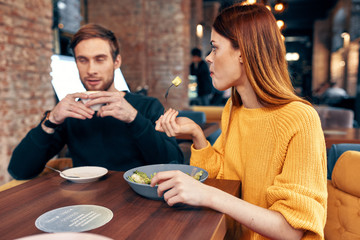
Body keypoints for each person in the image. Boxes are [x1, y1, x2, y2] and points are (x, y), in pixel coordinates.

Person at [153, 4, 327, 240]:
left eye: (215, 48)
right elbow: (224, 177)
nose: (208, 58)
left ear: (243, 52)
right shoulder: (234, 108)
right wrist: (197, 134)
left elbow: (290, 229)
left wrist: (207, 195)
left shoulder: (300, 119)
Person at [8, 23, 183, 180]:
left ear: (116, 61)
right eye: (83, 60)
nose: (91, 70)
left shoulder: (147, 106)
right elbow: (19, 170)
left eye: (100, 59)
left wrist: (134, 119)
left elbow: (174, 164)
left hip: (138, 205)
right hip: (85, 205)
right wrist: (51, 120)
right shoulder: (72, 113)